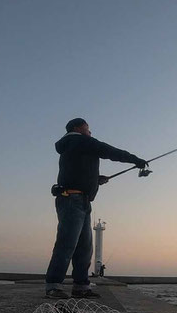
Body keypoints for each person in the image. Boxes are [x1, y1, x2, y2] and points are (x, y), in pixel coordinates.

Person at [45, 118, 147, 299]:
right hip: (72, 200)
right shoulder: (79, 140)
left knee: (84, 248)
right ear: (77, 127)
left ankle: (81, 287)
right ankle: (53, 285)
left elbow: (75, 171)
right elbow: (109, 151)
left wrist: (95, 179)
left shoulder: (74, 146)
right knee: (66, 244)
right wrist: (135, 160)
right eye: (88, 128)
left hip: (81, 200)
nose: (90, 132)